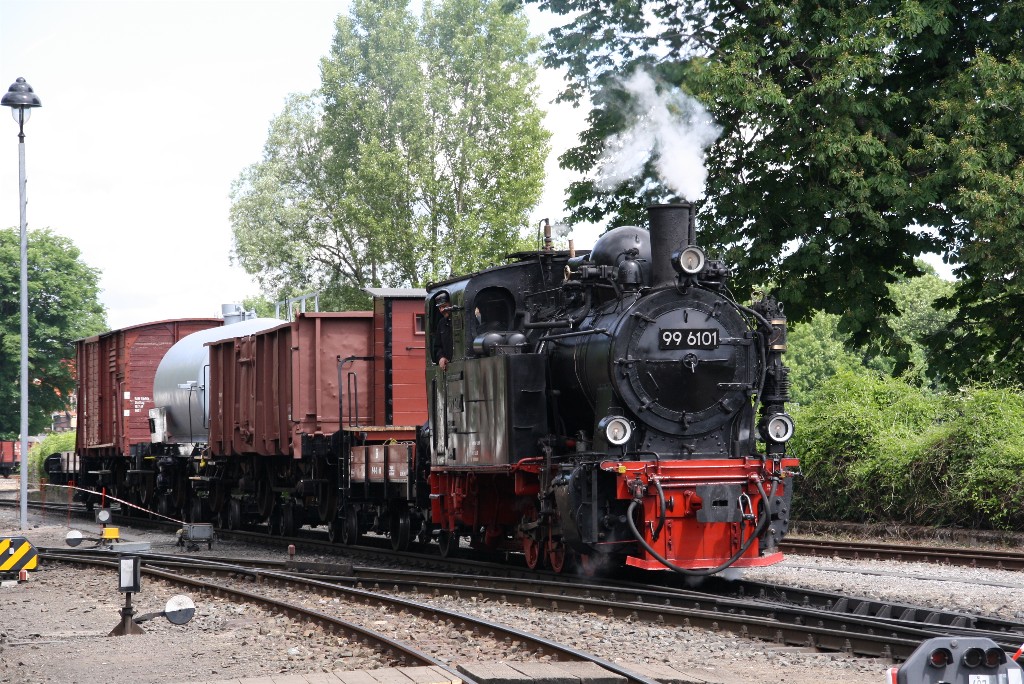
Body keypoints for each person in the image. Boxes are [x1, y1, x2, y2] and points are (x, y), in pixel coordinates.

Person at [432, 292, 454, 370]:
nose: (441, 310)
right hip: (448, 366)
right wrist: (441, 357)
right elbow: (437, 346)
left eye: (444, 306)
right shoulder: (441, 323)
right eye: (439, 307)